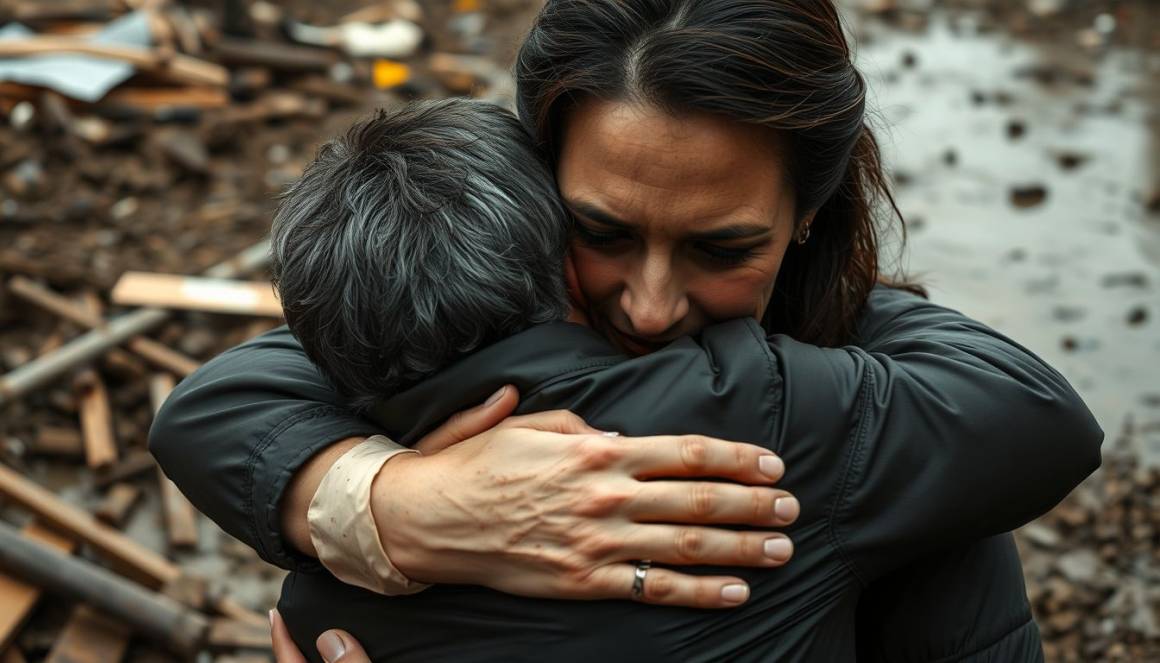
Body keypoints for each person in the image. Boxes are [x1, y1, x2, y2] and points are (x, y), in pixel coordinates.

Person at [150, 0, 1103, 660]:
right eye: (601, 231)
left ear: (806, 214)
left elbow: (1036, 419)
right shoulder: (494, 312)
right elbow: (221, 402)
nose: (648, 306)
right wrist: (402, 503)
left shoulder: (838, 400)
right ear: (535, 177)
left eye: (722, 248)